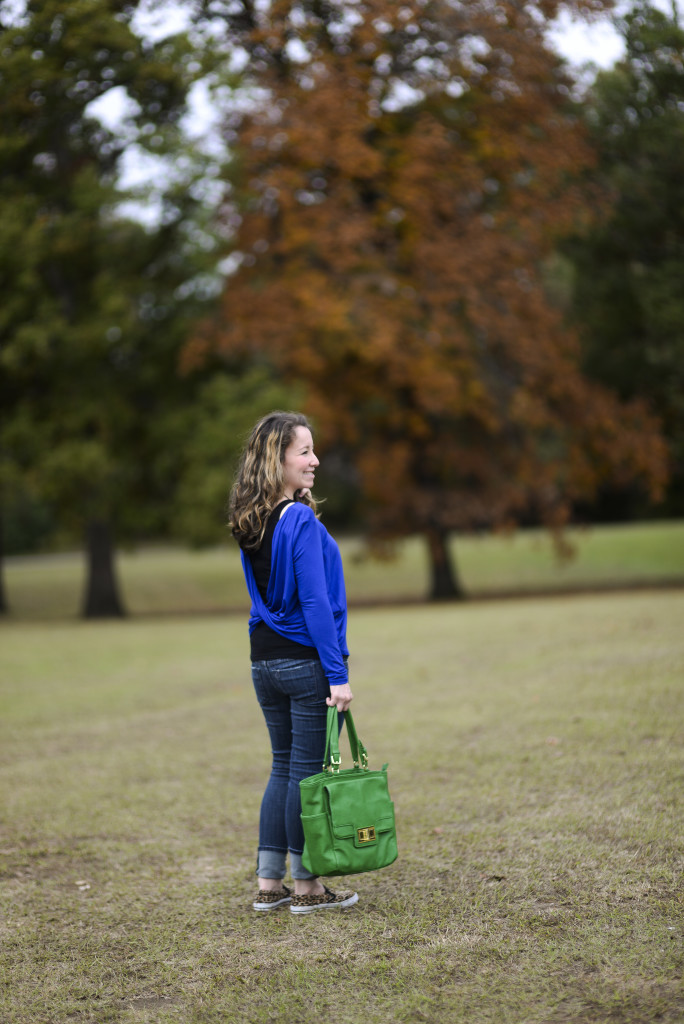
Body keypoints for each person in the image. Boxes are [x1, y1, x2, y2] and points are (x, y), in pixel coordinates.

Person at [229, 411, 359, 914]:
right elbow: (315, 603)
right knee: (305, 773)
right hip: (304, 662)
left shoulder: (251, 520)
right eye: (304, 452)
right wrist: (339, 673)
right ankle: (307, 887)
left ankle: (269, 884)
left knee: (282, 767)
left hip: (264, 662)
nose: (315, 460)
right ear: (276, 460)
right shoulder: (299, 519)